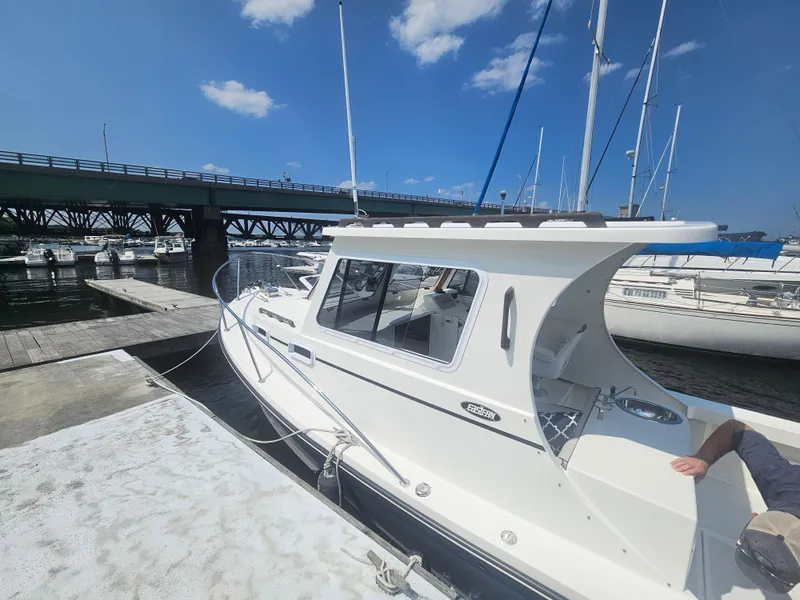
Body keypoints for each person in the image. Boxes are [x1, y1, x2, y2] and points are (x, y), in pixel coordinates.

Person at [671, 419, 800, 594]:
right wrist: (702, 459)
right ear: (754, 517)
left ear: (754, 517)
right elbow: (736, 429)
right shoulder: (780, 481)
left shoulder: (781, 482)